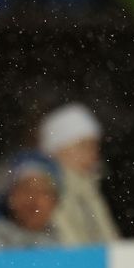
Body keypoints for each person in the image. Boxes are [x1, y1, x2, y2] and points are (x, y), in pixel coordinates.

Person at [37, 102, 119, 245]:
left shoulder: (89, 191)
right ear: (57, 150)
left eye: (95, 146)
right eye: (83, 146)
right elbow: (70, 248)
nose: (93, 154)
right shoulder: (48, 193)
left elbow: (110, 242)